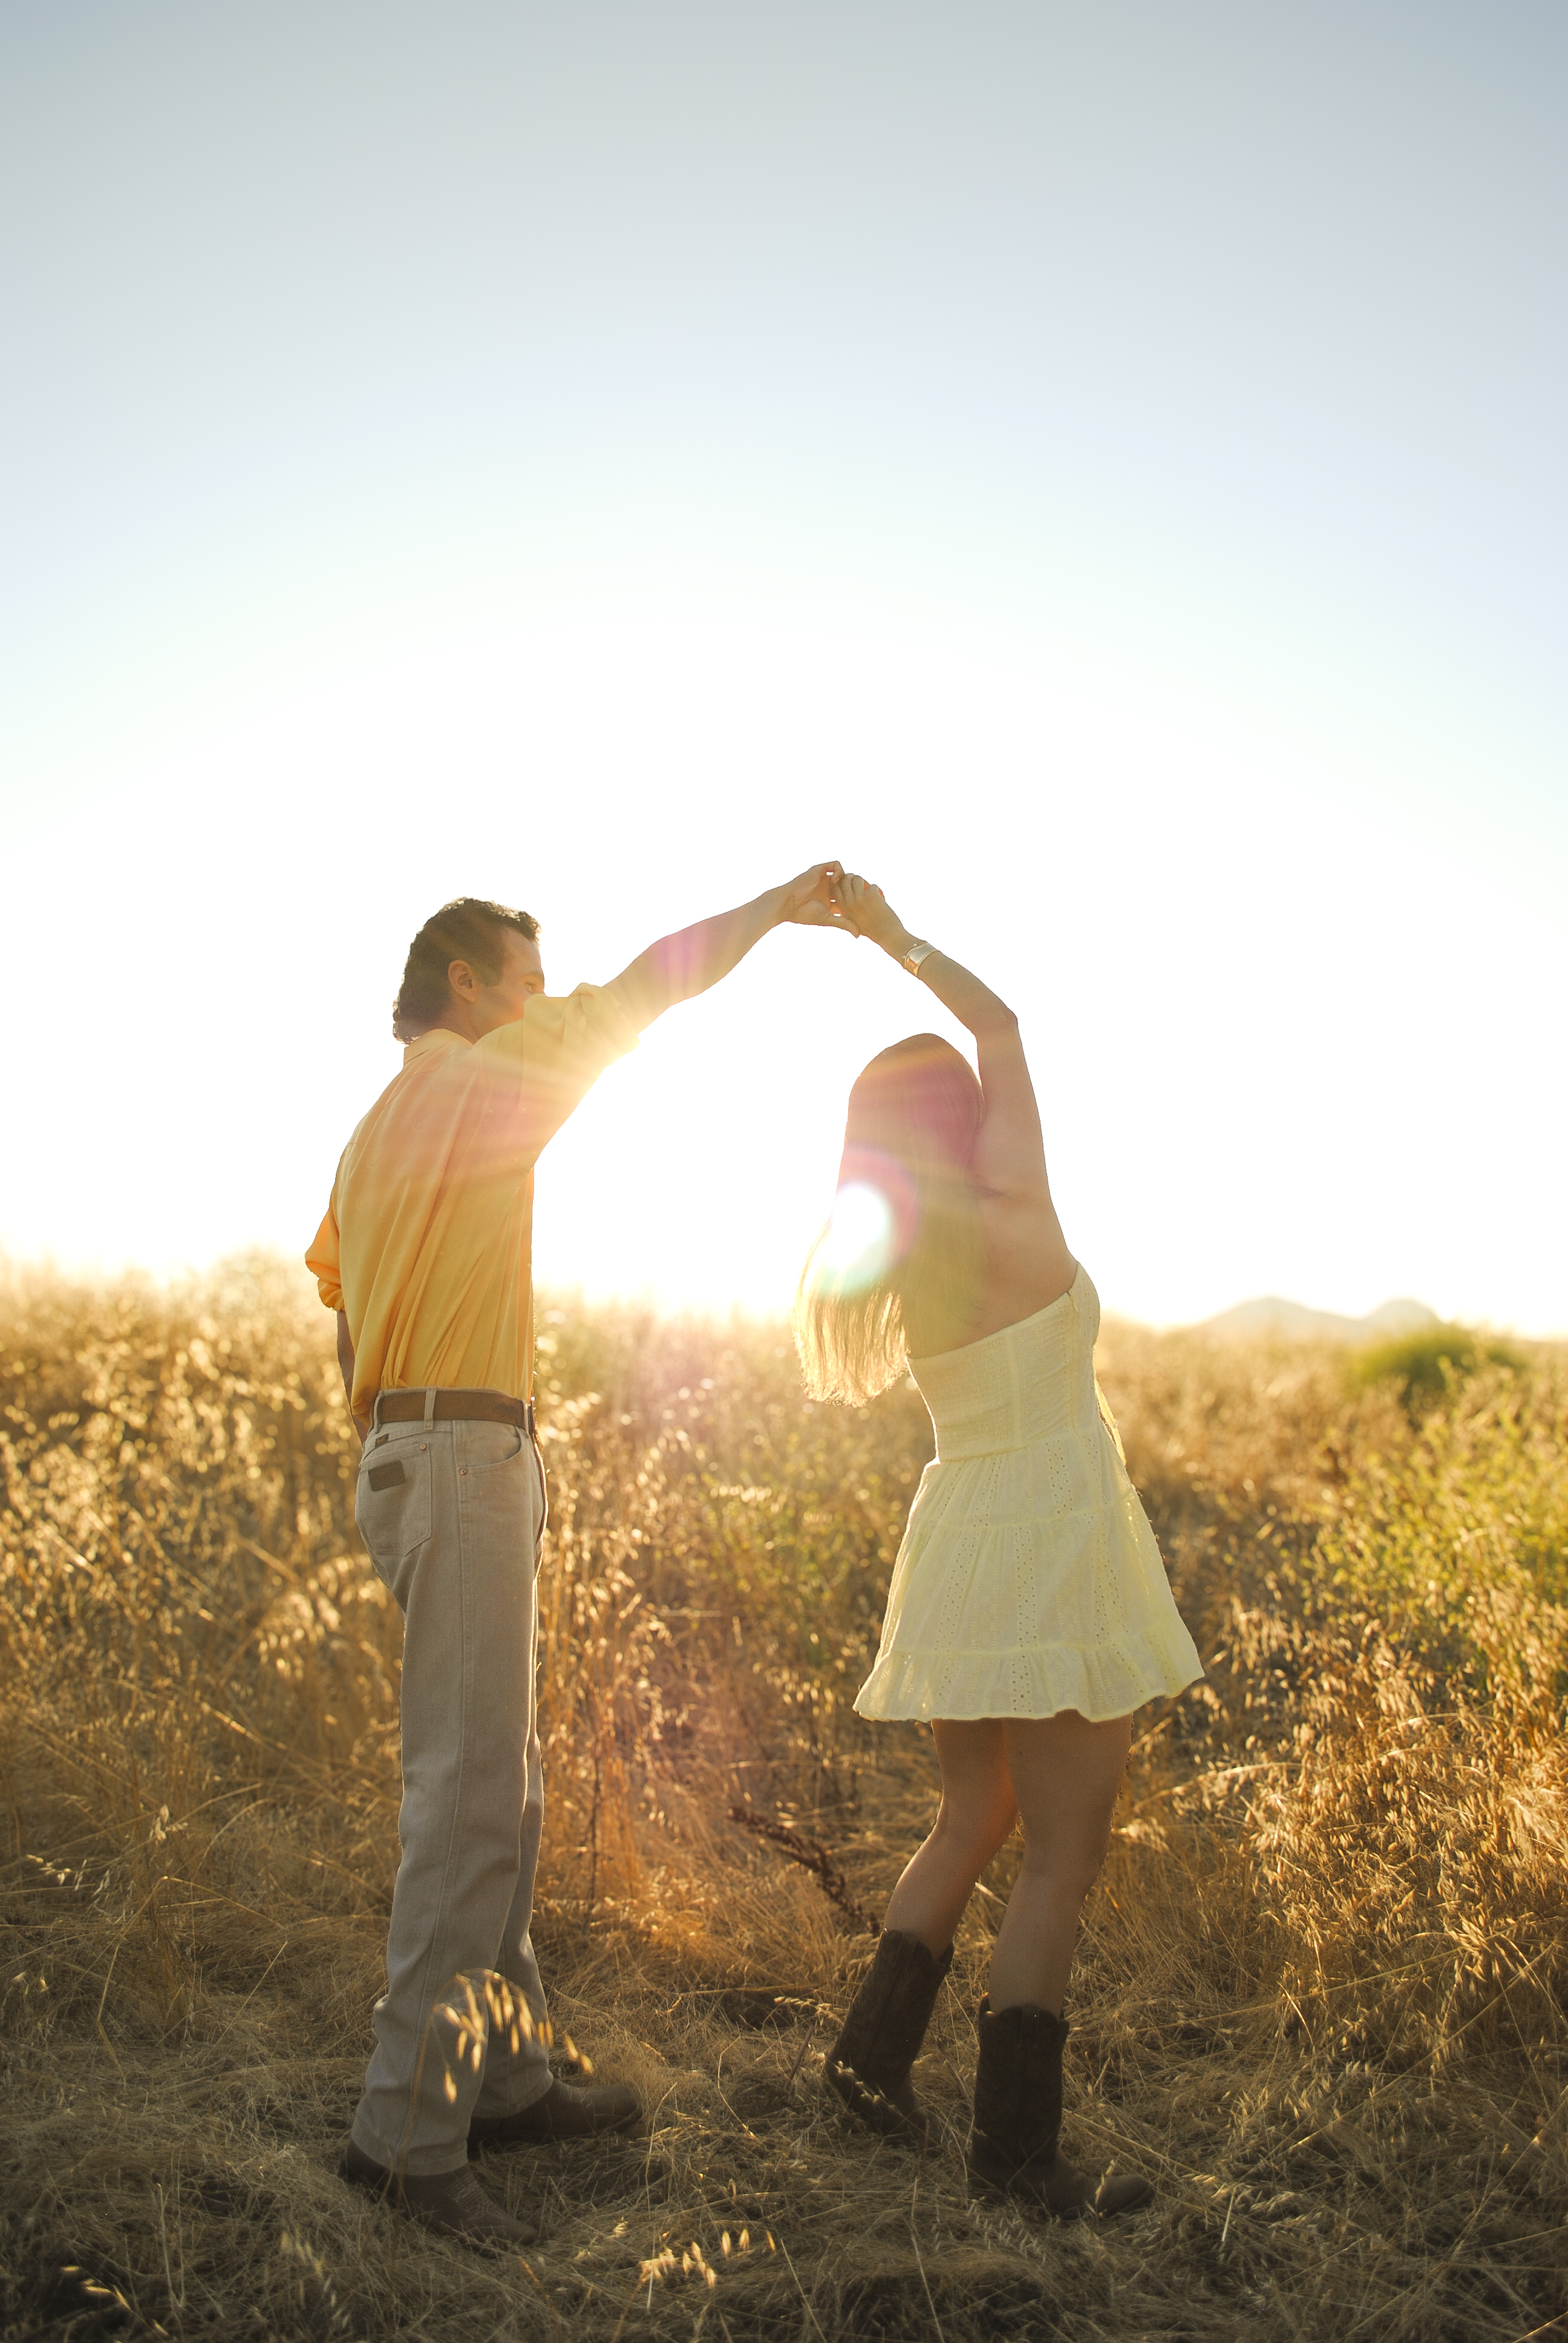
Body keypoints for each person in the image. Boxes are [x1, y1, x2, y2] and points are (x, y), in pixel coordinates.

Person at [307, 867, 846, 2250]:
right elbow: (649, 986)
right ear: (471, 988)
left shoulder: (370, 1136)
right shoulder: (490, 1077)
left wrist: (392, 1443)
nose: (550, 1003)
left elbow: (344, 1309)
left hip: (412, 1454)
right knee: (474, 1799)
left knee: (508, 1790)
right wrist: (781, 904)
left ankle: (510, 2071)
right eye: (529, 981)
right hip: (464, 1460)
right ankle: (406, 2138)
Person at [795, 873, 1203, 2220]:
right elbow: (1008, 1024)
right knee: (1059, 1861)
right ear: (964, 1122)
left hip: (962, 1539)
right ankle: (1017, 2164)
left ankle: (866, 2069)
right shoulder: (1016, 1201)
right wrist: (894, 935)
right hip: (1052, 1539)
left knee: (968, 1818)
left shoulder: (909, 1261)